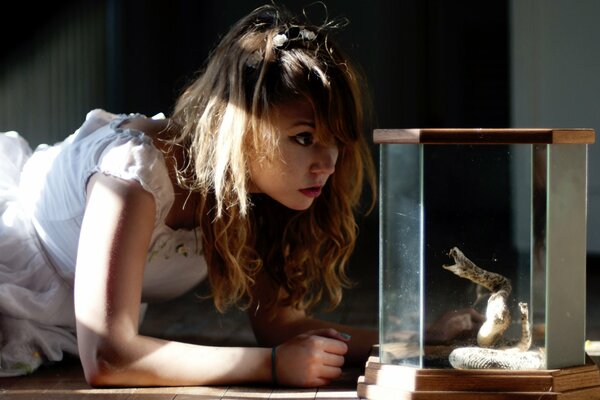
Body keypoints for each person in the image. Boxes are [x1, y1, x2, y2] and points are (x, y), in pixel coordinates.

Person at [0, 3, 379, 387]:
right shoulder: (133, 172)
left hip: (72, 326)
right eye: (304, 138)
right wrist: (272, 365)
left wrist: (407, 346)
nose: (327, 164)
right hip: (13, 275)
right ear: (242, 128)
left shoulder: (263, 193)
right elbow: (106, 357)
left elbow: (282, 325)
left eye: (336, 141)